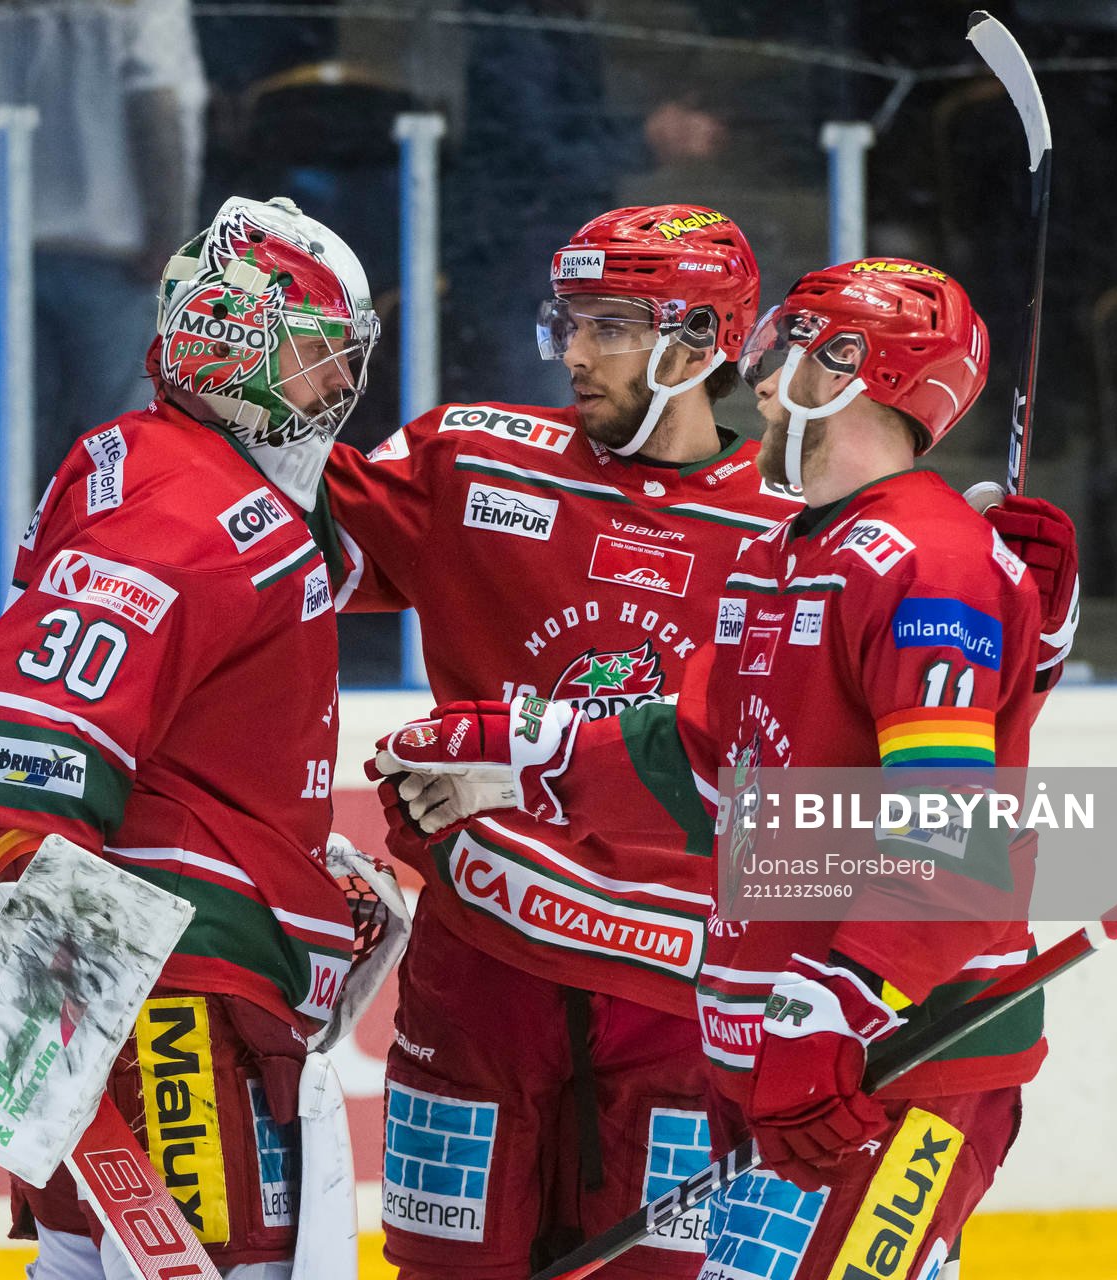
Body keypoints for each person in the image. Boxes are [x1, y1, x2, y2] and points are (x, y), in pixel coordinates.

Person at [324, 214, 1074, 1277]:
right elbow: (702, 749)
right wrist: (502, 744)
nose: (764, 380)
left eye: (612, 325)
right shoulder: (795, 549)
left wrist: (835, 1003)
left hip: (863, 1032)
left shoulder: (911, 552)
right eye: (569, 322)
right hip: (610, 995)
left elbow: (953, 826)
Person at [0, 195, 379, 1280]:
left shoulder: (177, 471)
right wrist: (28, 878)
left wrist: (285, 864)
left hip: (146, 988)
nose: (339, 386)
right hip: (169, 1000)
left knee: (82, 1264)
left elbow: (176, 743)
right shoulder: (198, 510)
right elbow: (26, 725)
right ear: (234, 349)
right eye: (319, 353)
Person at [0, 0, 208, 480]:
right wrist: (167, 237)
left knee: (11, 435)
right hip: (113, 256)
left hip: (11, 251)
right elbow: (155, 110)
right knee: (124, 438)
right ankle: (120, 553)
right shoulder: (144, 9)